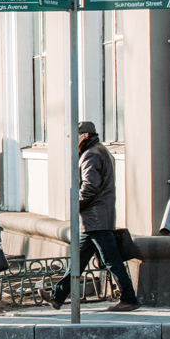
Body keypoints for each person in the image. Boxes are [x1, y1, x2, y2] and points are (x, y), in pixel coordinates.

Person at [41, 122, 140, 312]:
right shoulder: (100, 151)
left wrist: (74, 204)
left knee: (112, 261)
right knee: (78, 260)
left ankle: (129, 298)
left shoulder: (91, 154)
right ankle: (57, 297)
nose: (72, 142)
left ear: (84, 135)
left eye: (75, 137)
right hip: (95, 218)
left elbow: (89, 187)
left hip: (96, 219)